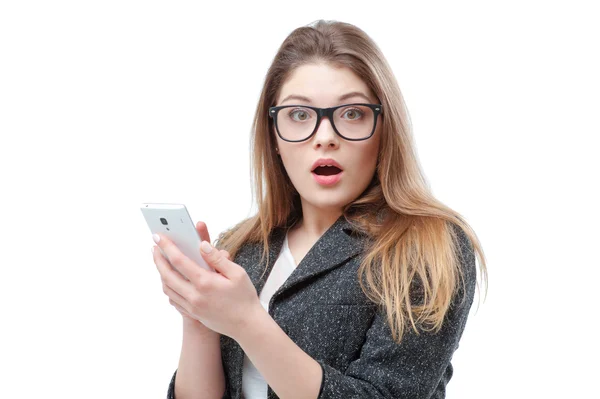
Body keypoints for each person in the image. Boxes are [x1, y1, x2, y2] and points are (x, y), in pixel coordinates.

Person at [151, 19, 488, 399]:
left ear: (384, 129)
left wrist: (247, 321)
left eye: (352, 113)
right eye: (299, 115)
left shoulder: (429, 246)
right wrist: (199, 320)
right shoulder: (243, 248)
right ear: (274, 136)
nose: (325, 138)